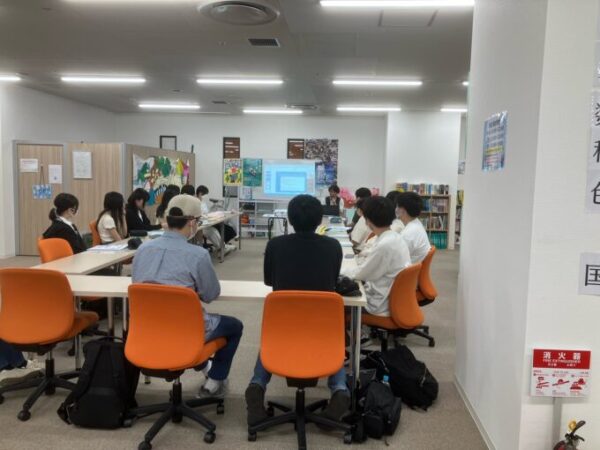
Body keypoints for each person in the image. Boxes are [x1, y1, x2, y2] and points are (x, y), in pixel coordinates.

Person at [245, 194, 350, 427]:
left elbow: (268, 281)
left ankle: (256, 385)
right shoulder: (333, 246)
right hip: (321, 323)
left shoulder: (275, 245)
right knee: (334, 340)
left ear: (290, 220)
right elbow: (333, 280)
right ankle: (340, 389)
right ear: (319, 220)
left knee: (272, 339)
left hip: (284, 322)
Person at [132, 194, 243, 398]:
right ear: (192, 223)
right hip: (186, 329)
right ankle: (215, 380)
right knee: (234, 326)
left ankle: (206, 368)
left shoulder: (142, 249)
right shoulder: (197, 255)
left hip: (147, 328)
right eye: (198, 221)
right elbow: (210, 294)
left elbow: (138, 285)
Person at [341, 196, 411, 317]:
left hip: (378, 304)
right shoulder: (394, 237)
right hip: (391, 297)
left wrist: (339, 270)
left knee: (333, 301)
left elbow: (360, 274)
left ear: (367, 220)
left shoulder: (385, 245)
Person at [196, 185, 236, 253]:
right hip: (200, 226)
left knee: (217, 230)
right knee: (212, 231)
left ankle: (223, 246)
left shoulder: (203, 202)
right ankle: (222, 248)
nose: (206, 196)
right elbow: (200, 215)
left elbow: (206, 213)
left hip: (206, 223)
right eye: (205, 194)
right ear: (200, 193)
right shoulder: (196, 203)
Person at [396, 192, 431, 264]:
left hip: (406, 268)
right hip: (414, 266)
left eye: (397, 206)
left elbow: (395, 260)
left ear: (403, 210)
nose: (396, 209)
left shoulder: (407, 234)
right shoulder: (416, 223)